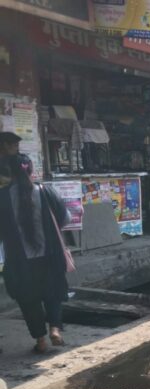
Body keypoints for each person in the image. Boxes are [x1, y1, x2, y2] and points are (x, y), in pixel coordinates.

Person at [0, 136, 70, 353]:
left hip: (20, 260)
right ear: (30, 170)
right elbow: (65, 218)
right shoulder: (46, 191)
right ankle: (55, 330)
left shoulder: (2, 197)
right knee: (53, 293)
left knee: (28, 299)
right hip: (49, 255)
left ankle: (40, 341)